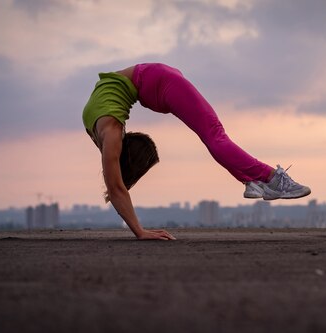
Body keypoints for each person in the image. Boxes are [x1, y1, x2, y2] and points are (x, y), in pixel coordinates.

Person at [82, 63, 311, 240]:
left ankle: (270, 179)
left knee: (215, 136)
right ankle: (256, 179)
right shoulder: (103, 130)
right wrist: (140, 231)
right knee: (215, 136)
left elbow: (116, 188)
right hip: (156, 78)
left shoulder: (110, 135)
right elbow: (115, 184)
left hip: (161, 82)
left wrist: (139, 231)